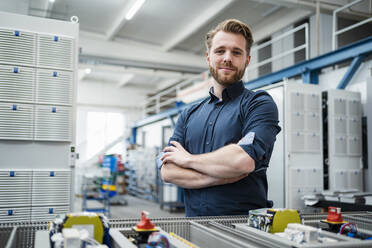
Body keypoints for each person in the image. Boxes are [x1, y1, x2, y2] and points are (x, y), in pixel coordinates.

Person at [160, 19, 281, 217]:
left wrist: (188, 159)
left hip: (242, 228)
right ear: (208, 57)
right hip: (192, 226)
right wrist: (220, 176)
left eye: (236, 52)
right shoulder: (189, 114)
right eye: (220, 51)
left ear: (247, 60)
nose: (227, 58)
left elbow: (243, 162)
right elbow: (168, 171)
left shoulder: (259, 104)